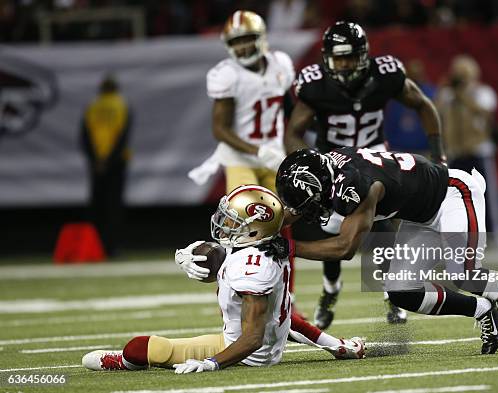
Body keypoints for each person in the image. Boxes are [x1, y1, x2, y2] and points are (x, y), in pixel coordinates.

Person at [263, 148, 498, 355]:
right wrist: (259, 230)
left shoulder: (357, 185)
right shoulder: (329, 172)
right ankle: (485, 310)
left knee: (465, 274)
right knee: (402, 292)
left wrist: (290, 248)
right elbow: (297, 208)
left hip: (452, 195)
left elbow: (346, 248)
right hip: (420, 214)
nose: (304, 208)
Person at [82, 185, 365, 373]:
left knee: (139, 347)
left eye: (233, 220)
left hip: (243, 352)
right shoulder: (267, 243)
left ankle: (123, 363)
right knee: (273, 317)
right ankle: (338, 345)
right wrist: (336, 345)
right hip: (264, 336)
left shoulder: (252, 268)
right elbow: (285, 320)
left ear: (255, 230)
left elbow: (253, 338)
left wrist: (211, 364)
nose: (225, 223)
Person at [283, 21, 446, 329]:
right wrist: (308, 164)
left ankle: (392, 295)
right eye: (337, 58)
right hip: (332, 164)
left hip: (374, 162)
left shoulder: (385, 74)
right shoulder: (315, 84)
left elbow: (424, 106)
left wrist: (438, 153)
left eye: (349, 57)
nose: (343, 65)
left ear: (363, 55)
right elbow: (294, 133)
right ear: (327, 58)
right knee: (333, 230)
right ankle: (331, 290)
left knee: (383, 229)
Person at [187, 10, 302, 315]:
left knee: (283, 225)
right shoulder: (227, 74)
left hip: (274, 154)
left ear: (261, 39)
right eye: (236, 42)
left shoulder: (281, 65)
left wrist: (291, 148)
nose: (243, 47)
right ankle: (233, 292)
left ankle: (286, 295)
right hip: (241, 158)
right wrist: (257, 150)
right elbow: (220, 129)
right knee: (241, 227)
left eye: (248, 39)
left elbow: (289, 110)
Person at [435, 55, 498, 242]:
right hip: (455, 151)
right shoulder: (447, 94)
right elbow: (436, 112)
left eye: (464, 73)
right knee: (454, 196)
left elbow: (485, 112)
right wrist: (445, 90)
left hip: (478, 149)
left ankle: (494, 232)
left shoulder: (483, 92)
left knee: (486, 194)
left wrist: (463, 95)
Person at [80, 74, 132, 257]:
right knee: (113, 207)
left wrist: (96, 160)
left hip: (96, 164)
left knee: (97, 207)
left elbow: (84, 136)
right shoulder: (121, 105)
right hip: (116, 163)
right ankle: (112, 247)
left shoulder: (92, 106)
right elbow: (123, 136)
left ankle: (95, 246)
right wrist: (108, 161)